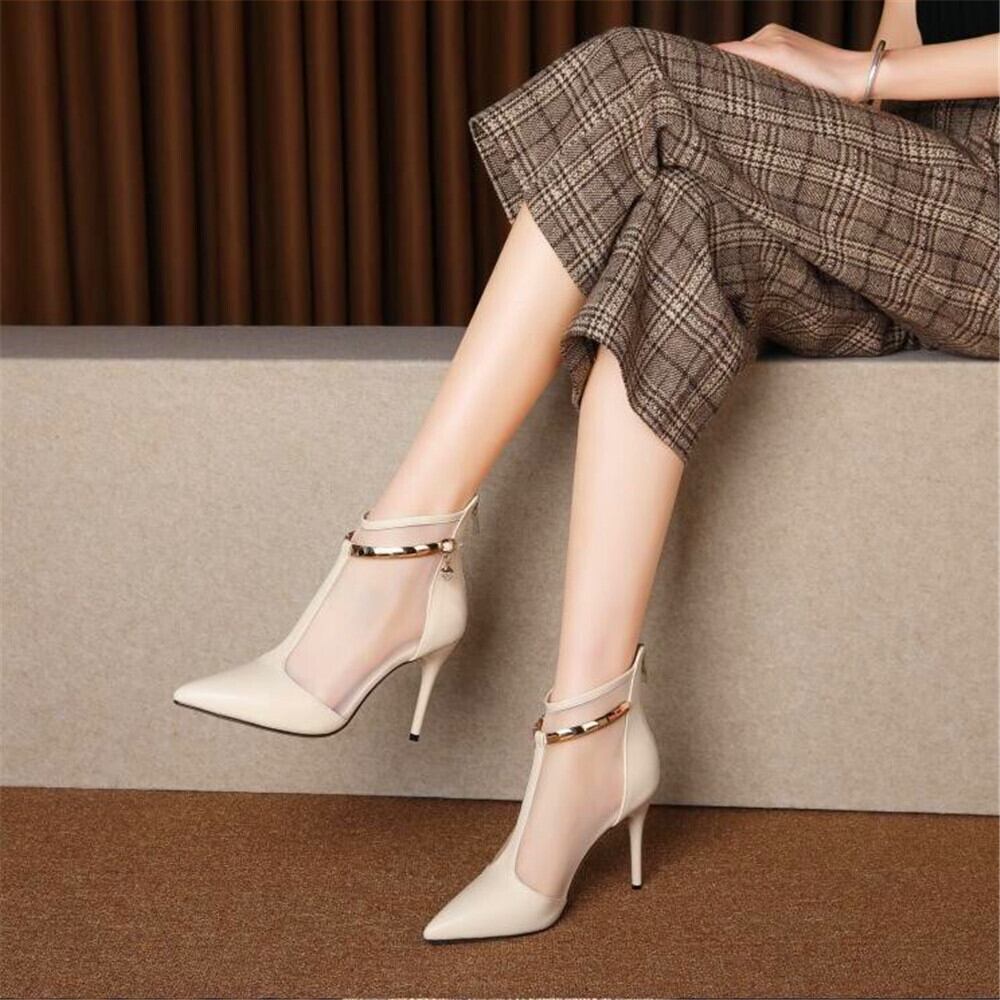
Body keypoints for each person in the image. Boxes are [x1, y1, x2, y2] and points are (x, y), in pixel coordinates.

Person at [173, 0, 999, 942]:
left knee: (639, 76)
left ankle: (395, 567)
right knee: (676, 221)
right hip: (924, 199)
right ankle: (587, 747)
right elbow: (911, 38)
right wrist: (814, 129)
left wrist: (861, 73)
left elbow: (883, 69)